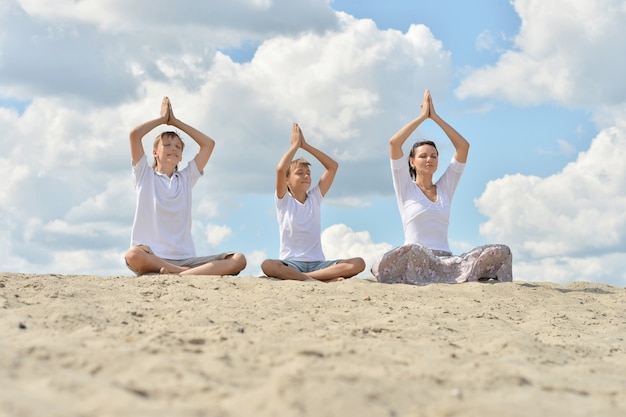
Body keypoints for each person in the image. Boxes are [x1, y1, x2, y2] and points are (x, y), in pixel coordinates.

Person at [372, 89, 512, 285]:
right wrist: (422, 117)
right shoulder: (405, 187)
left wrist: (435, 118)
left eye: (434, 156)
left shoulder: (445, 188)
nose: (429, 159)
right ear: (411, 162)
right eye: (423, 156)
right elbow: (394, 143)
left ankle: (453, 276)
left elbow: (463, 147)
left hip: (445, 262)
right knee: (414, 250)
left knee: (501, 251)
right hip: (415, 258)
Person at [124, 96, 246, 276]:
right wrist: (161, 120)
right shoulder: (145, 175)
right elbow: (134, 135)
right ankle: (183, 273)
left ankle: (179, 274)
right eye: (167, 145)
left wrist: (176, 122)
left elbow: (208, 144)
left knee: (238, 259)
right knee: (133, 254)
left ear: (181, 156)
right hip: (153, 256)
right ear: (155, 153)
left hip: (186, 259)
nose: (173, 148)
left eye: (178, 147)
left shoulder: (186, 178)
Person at [261, 123, 366, 282]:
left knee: (359, 263)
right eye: (300, 173)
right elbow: (280, 169)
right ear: (287, 181)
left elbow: (333, 167)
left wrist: (306, 145)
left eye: (308, 173)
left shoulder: (315, 198)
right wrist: (295, 146)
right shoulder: (284, 201)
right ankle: (322, 279)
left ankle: (305, 278)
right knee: (267, 265)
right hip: (291, 263)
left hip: (318, 264)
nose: (306, 176)